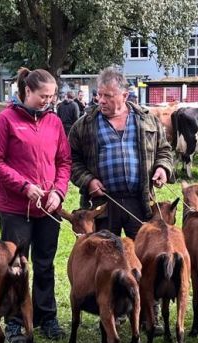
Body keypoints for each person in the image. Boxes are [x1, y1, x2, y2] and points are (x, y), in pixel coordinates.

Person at [0, 68, 71, 343]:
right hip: (15, 208)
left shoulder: (55, 122)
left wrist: (58, 191)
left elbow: (64, 162)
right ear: (27, 92)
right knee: (16, 266)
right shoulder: (5, 121)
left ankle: (47, 317)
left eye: (52, 96)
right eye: (42, 96)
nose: (47, 101)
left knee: (45, 265)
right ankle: (14, 322)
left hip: (48, 208)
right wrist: (24, 186)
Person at [68, 67, 174, 238]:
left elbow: (164, 150)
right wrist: (88, 181)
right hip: (102, 205)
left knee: (141, 257)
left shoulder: (147, 120)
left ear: (124, 96)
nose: (101, 100)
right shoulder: (84, 125)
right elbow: (71, 159)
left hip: (140, 202)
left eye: (108, 96)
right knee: (104, 258)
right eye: (99, 94)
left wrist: (162, 168)